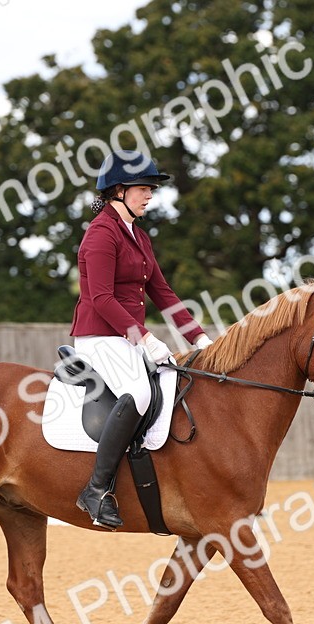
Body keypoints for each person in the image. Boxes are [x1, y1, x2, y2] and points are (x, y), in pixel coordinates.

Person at [70, 150, 213, 529]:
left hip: (127, 337)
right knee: (143, 392)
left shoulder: (139, 237)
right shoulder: (100, 234)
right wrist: (145, 337)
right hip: (99, 336)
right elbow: (101, 298)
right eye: (144, 188)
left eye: (151, 188)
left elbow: (163, 293)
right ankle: (96, 490)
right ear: (118, 191)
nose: (150, 195)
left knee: (173, 381)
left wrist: (199, 338)